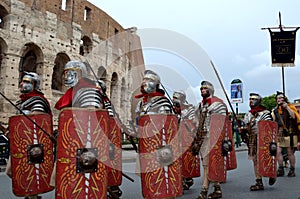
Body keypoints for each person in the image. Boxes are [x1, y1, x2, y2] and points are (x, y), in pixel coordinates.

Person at [52, 60, 121, 198]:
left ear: (80, 74)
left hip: (87, 148)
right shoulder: (75, 93)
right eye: (65, 73)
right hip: (76, 147)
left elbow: (92, 121)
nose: (66, 76)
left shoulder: (88, 92)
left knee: (87, 183)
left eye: (70, 72)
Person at [6, 71, 52, 199]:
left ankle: (33, 197)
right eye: (22, 81)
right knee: (11, 172)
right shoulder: (22, 102)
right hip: (20, 144)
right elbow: (19, 124)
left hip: (32, 146)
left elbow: (37, 123)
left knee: (26, 173)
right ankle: (33, 196)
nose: (22, 84)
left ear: (35, 85)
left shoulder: (38, 101)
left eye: (27, 82)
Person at [135, 70, 179, 199]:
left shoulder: (162, 103)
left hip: (160, 146)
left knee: (163, 175)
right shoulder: (141, 103)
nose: (144, 83)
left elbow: (167, 127)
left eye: (148, 80)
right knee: (150, 177)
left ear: (155, 84)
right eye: (143, 80)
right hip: (146, 145)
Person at [193, 81, 228, 199]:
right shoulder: (199, 105)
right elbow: (196, 120)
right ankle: (217, 189)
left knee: (207, 165)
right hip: (202, 138)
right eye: (201, 88)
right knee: (207, 164)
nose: (202, 90)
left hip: (212, 139)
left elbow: (222, 124)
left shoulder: (218, 105)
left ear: (210, 90)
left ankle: (203, 191)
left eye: (205, 88)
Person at [240, 93, 276, 191]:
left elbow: (268, 127)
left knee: (265, 159)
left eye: (253, 99)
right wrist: (242, 129)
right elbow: (247, 128)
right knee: (255, 160)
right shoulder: (248, 115)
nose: (251, 101)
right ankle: (258, 181)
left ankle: (271, 173)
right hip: (252, 139)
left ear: (259, 101)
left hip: (263, 140)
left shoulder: (265, 113)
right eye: (250, 99)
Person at [172, 90, 198, 190]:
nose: (174, 100)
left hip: (186, 139)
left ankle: (187, 178)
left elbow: (191, 123)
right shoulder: (173, 110)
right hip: (176, 140)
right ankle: (180, 180)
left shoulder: (189, 109)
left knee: (186, 161)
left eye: (176, 98)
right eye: (173, 98)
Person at [271, 91, 300, 177]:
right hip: (280, 134)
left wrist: (287, 107)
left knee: (290, 152)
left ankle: (292, 169)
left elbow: (294, 117)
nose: (279, 100)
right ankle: (280, 168)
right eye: (277, 98)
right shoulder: (275, 110)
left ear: (284, 99)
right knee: (277, 151)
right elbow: (272, 121)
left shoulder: (290, 107)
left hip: (290, 133)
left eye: (280, 98)